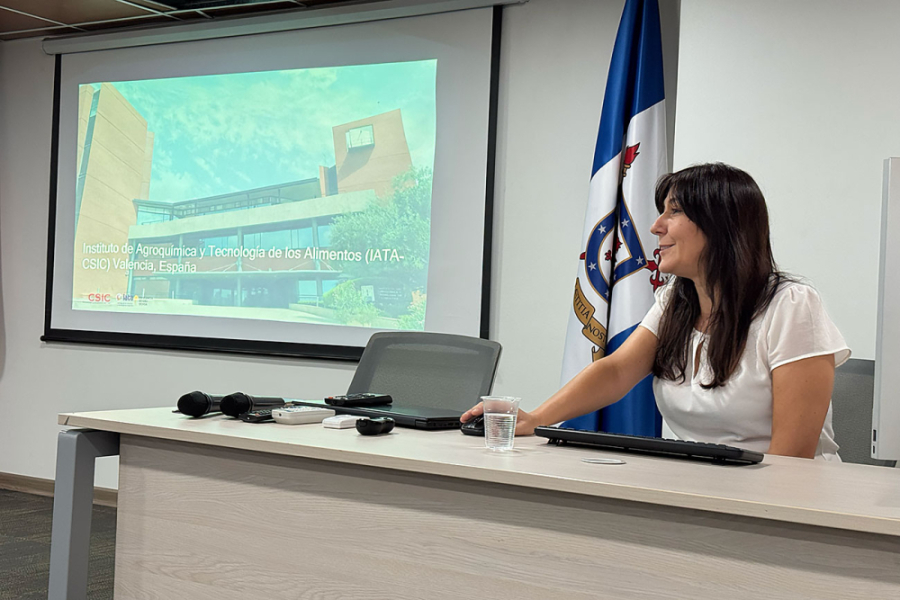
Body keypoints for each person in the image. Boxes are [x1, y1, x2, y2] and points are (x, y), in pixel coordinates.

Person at [463, 163, 850, 460]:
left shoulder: (792, 306)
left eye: (673, 212)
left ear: (721, 226)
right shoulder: (674, 302)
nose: (655, 226)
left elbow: (791, 460)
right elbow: (616, 372)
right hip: (702, 488)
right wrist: (536, 419)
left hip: (786, 505)